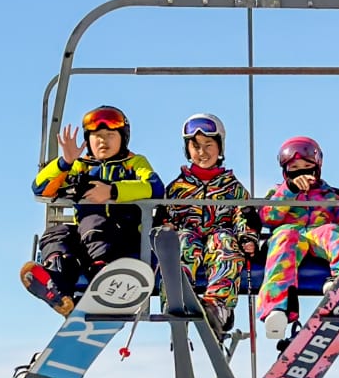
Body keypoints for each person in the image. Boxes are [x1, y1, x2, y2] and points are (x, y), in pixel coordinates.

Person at [22, 105, 163, 315]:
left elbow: (155, 187)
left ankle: (102, 277)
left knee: (95, 220)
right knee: (57, 233)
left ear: (122, 138)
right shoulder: (81, 165)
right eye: (96, 135)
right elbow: (40, 188)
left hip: (124, 239)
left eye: (109, 135)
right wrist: (65, 162)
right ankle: (58, 283)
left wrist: (113, 192)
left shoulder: (134, 163)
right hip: (86, 241)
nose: (102, 141)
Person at [251, 137, 339, 341]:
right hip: (291, 234)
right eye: (295, 168)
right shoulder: (279, 192)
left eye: (307, 167)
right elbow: (267, 216)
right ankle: (276, 308)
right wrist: (290, 190)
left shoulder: (329, 195)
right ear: (286, 170)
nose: (301, 172)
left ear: (317, 168)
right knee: (285, 238)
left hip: (318, 234)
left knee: (333, 231)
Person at [157, 114, 257, 338]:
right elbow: (164, 217)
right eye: (196, 146)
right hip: (189, 234)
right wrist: (166, 229)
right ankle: (176, 297)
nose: (202, 152)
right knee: (181, 242)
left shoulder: (232, 187)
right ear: (188, 150)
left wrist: (247, 237)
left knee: (225, 243)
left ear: (220, 148)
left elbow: (245, 215)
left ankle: (217, 306)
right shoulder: (177, 187)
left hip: (219, 235)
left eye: (208, 145)